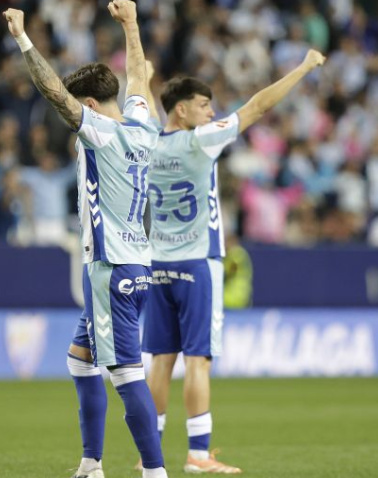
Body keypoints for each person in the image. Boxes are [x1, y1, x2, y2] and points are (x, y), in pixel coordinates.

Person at [142, 49, 325, 474]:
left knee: (161, 361)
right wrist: (303, 68)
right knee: (198, 360)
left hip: (158, 264)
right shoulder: (201, 140)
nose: (212, 112)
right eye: (204, 105)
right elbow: (258, 106)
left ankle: (148, 453)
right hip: (197, 263)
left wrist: (147, 81)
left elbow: (153, 114)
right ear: (183, 109)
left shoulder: (149, 142)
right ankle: (198, 455)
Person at [3, 3, 167, 478]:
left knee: (126, 374)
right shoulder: (143, 124)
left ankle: (155, 472)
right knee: (80, 359)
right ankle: (91, 464)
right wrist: (131, 24)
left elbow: (54, 92)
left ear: (90, 106)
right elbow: (139, 75)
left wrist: (23, 38)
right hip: (135, 262)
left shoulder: (102, 133)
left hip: (110, 269)